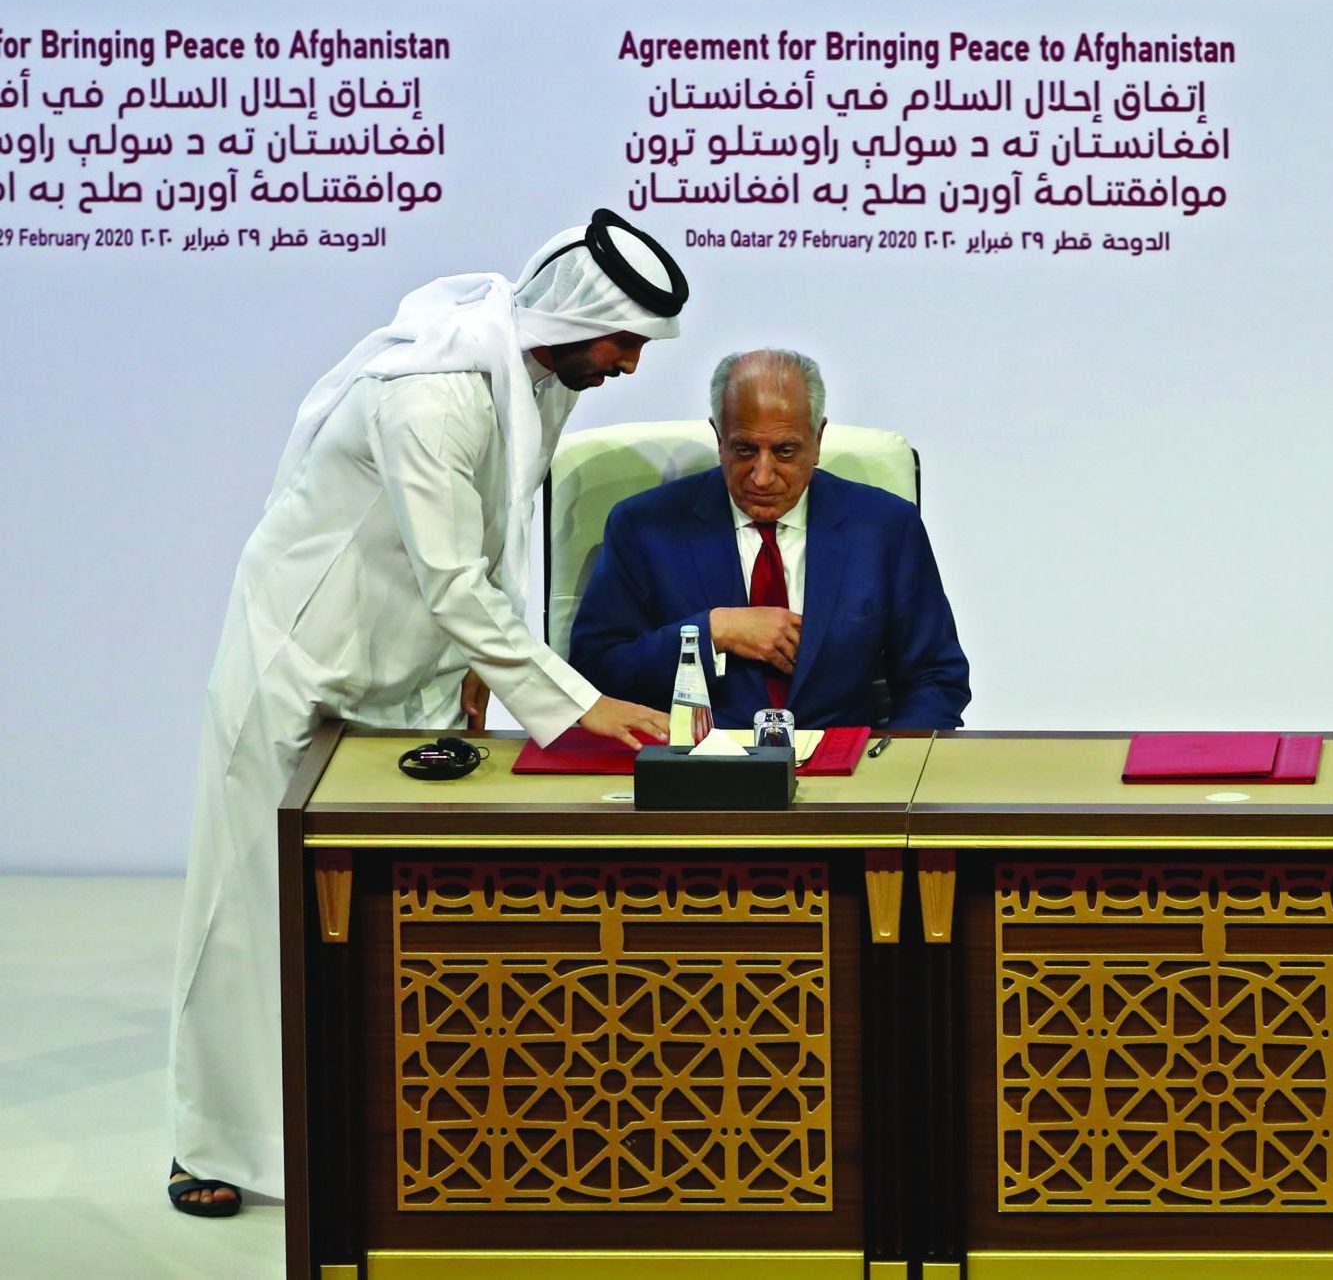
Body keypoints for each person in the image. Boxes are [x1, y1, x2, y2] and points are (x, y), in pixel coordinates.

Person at [166, 210, 687, 1217]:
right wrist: (579, 704)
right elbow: (454, 577)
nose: (629, 364)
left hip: (410, 661)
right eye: (626, 340)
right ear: (580, 318)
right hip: (303, 657)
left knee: (389, 908)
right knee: (249, 907)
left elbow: (486, 538)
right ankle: (213, 1140)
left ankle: (374, 1127)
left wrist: (474, 675)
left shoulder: (542, 376)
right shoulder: (433, 394)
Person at [569, 349, 970, 731]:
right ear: (719, 437)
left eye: (784, 451)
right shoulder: (644, 527)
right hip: (697, 772)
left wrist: (892, 771)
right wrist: (714, 632)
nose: (762, 476)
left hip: (844, 773)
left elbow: (936, 677)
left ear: (817, 440)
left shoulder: (885, 527)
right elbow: (596, 673)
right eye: (744, 449)